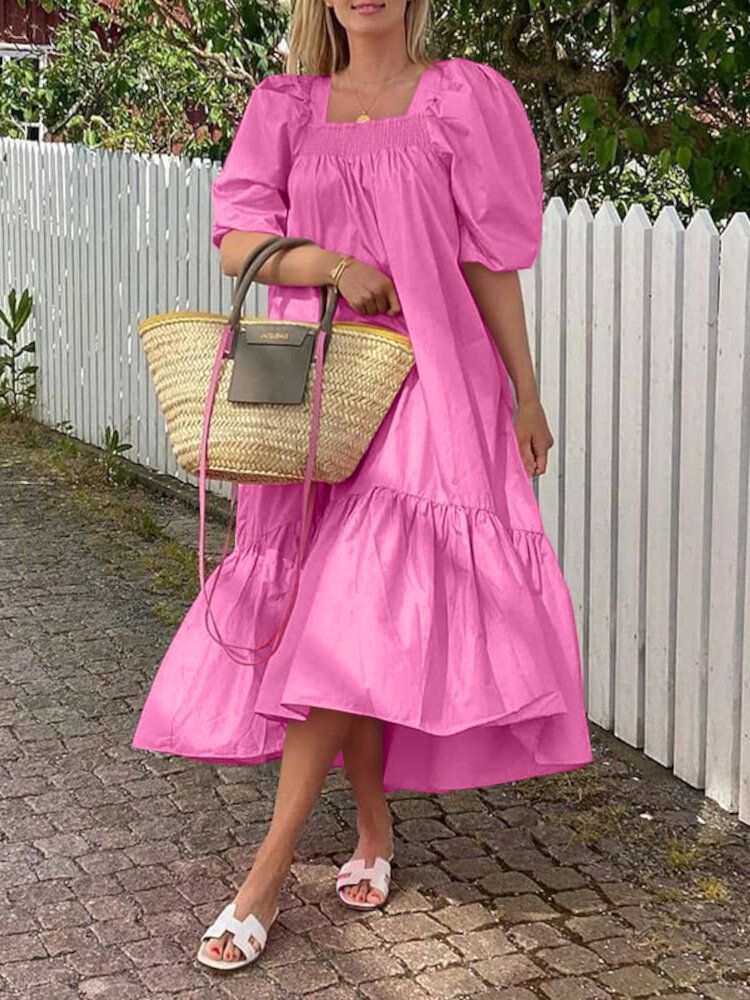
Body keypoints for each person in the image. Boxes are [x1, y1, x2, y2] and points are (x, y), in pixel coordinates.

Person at [132, 0, 593, 973]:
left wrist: (525, 390)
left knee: (357, 603)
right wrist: (334, 265)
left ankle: (264, 876)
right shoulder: (285, 106)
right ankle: (374, 822)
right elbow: (238, 246)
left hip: (435, 378)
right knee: (346, 615)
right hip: (313, 382)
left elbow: (486, 260)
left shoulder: (467, 98)